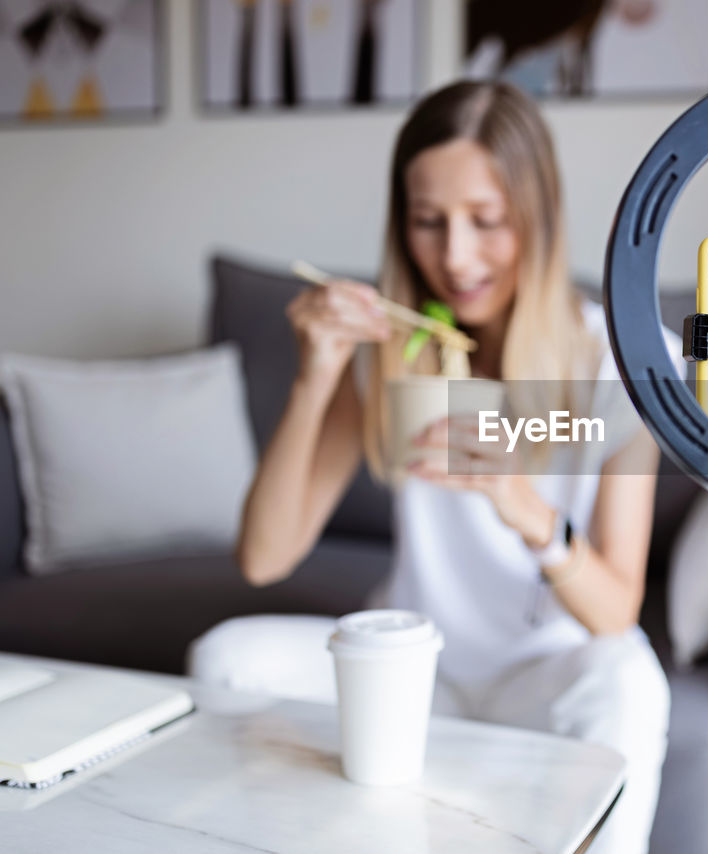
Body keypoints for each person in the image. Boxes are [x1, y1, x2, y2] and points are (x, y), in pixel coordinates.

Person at [188, 80, 677, 854]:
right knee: (227, 660)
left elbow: (615, 612)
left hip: (547, 678)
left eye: (486, 222)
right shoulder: (389, 353)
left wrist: (522, 506)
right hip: (420, 669)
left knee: (628, 685)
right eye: (428, 222)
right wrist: (317, 373)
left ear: (539, 216)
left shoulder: (617, 361)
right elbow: (265, 556)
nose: (455, 256)